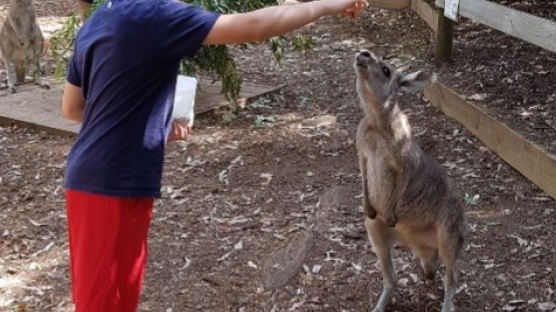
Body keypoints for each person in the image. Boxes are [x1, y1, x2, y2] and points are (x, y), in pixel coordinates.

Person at [61, 0, 368, 311]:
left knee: (116, 299)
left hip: (99, 178)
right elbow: (254, 26)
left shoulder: (99, 19)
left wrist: (154, 127)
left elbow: (72, 107)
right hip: (111, 184)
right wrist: (325, 5)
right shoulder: (155, 14)